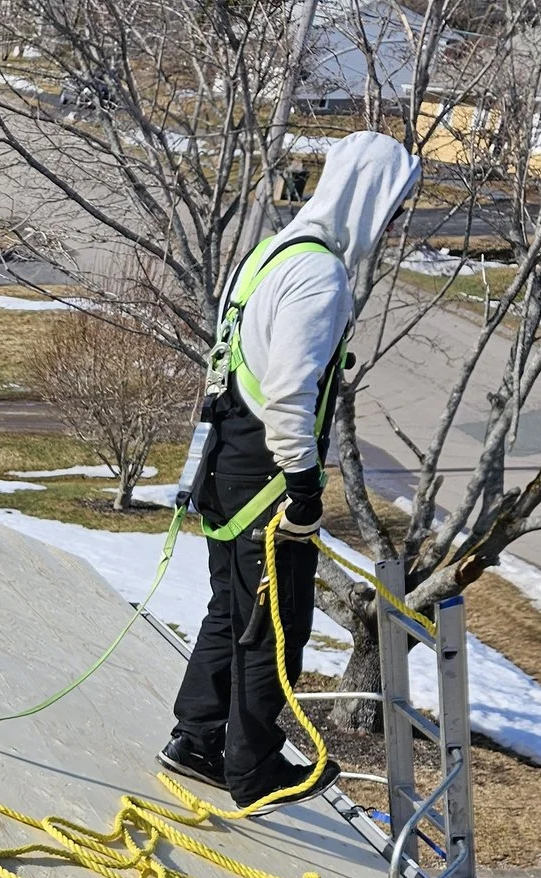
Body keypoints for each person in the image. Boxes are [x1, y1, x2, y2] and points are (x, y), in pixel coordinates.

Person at [162, 132, 422, 810]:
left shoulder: (273, 252)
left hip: (227, 457)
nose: (396, 227)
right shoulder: (319, 274)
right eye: (395, 211)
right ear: (369, 200)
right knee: (277, 624)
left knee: (234, 608)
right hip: (265, 475)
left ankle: (195, 737)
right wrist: (305, 484)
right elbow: (289, 391)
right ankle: (252, 768)